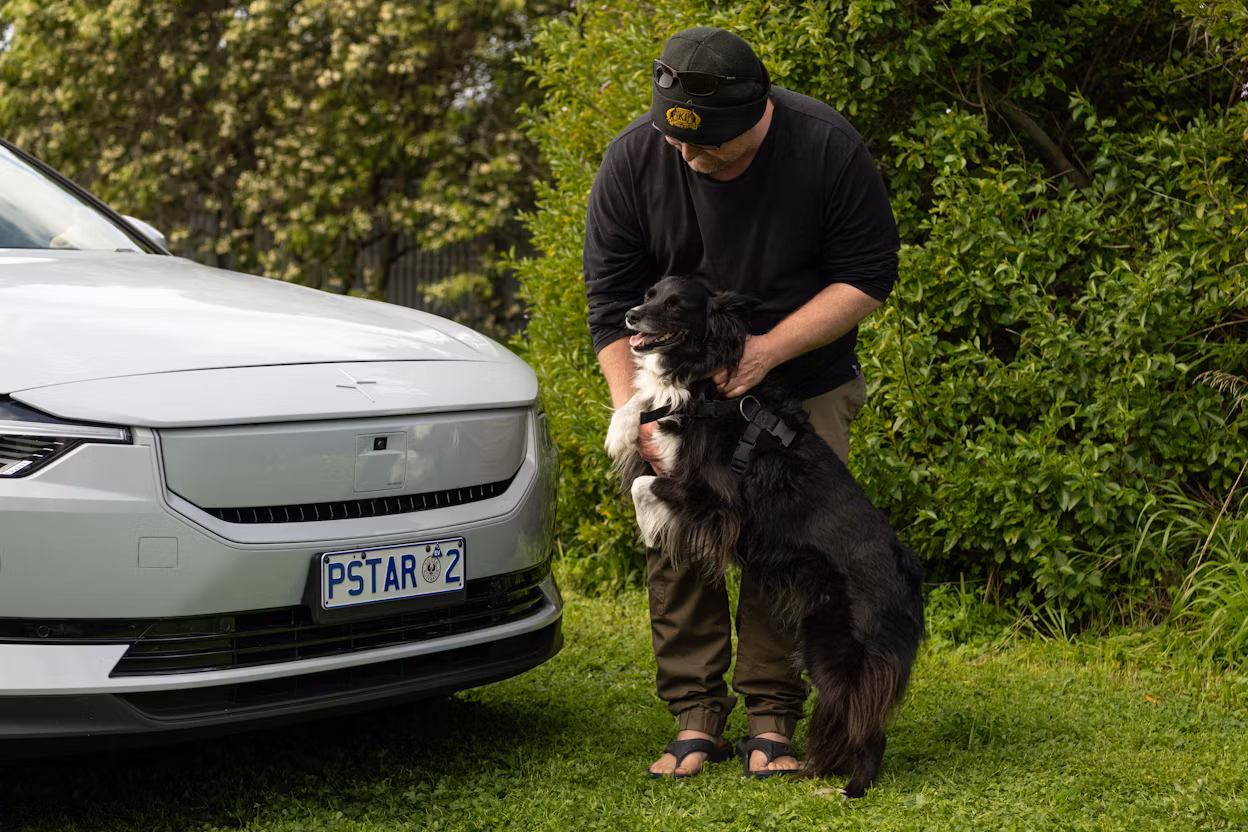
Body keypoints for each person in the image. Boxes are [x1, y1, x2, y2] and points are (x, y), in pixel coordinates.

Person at [582, 26, 900, 779]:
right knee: (676, 527)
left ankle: (772, 719)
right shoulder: (637, 156)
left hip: (803, 377)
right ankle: (695, 715)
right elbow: (608, 303)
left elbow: (867, 275)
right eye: (676, 141)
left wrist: (766, 351)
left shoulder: (825, 147)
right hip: (679, 386)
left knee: (790, 546)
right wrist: (640, 416)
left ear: (756, 114)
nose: (687, 157)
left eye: (706, 147)